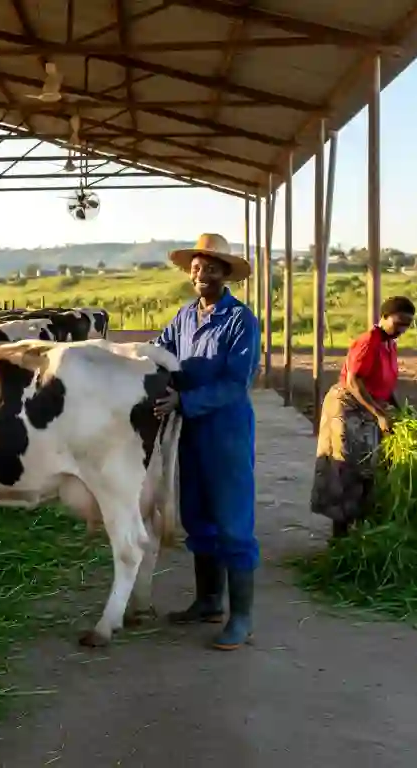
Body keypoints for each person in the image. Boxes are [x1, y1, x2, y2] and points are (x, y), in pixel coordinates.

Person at [151, 233, 261, 652]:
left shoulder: (240, 320)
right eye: (196, 267)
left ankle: (242, 617)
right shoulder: (185, 316)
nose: (202, 274)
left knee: (233, 522)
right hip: (192, 430)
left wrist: (186, 399)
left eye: (211, 267)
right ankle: (209, 601)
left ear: (225, 273)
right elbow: (161, 350)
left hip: (226, 429)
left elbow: (237, 382)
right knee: (197, 516)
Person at [310, 295, 417, 539]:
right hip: (347, 408)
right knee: (347, 468)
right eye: (398, 323)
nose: (402, 330)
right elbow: (354, 381)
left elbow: (386, 385)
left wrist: (401, 411)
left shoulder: (389, 344)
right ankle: (340, 536)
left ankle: (359, 529)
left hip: (366, 408)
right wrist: (379, 414)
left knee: (370, 467)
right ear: (384, 317)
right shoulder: (370, 341)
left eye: (407, 325)